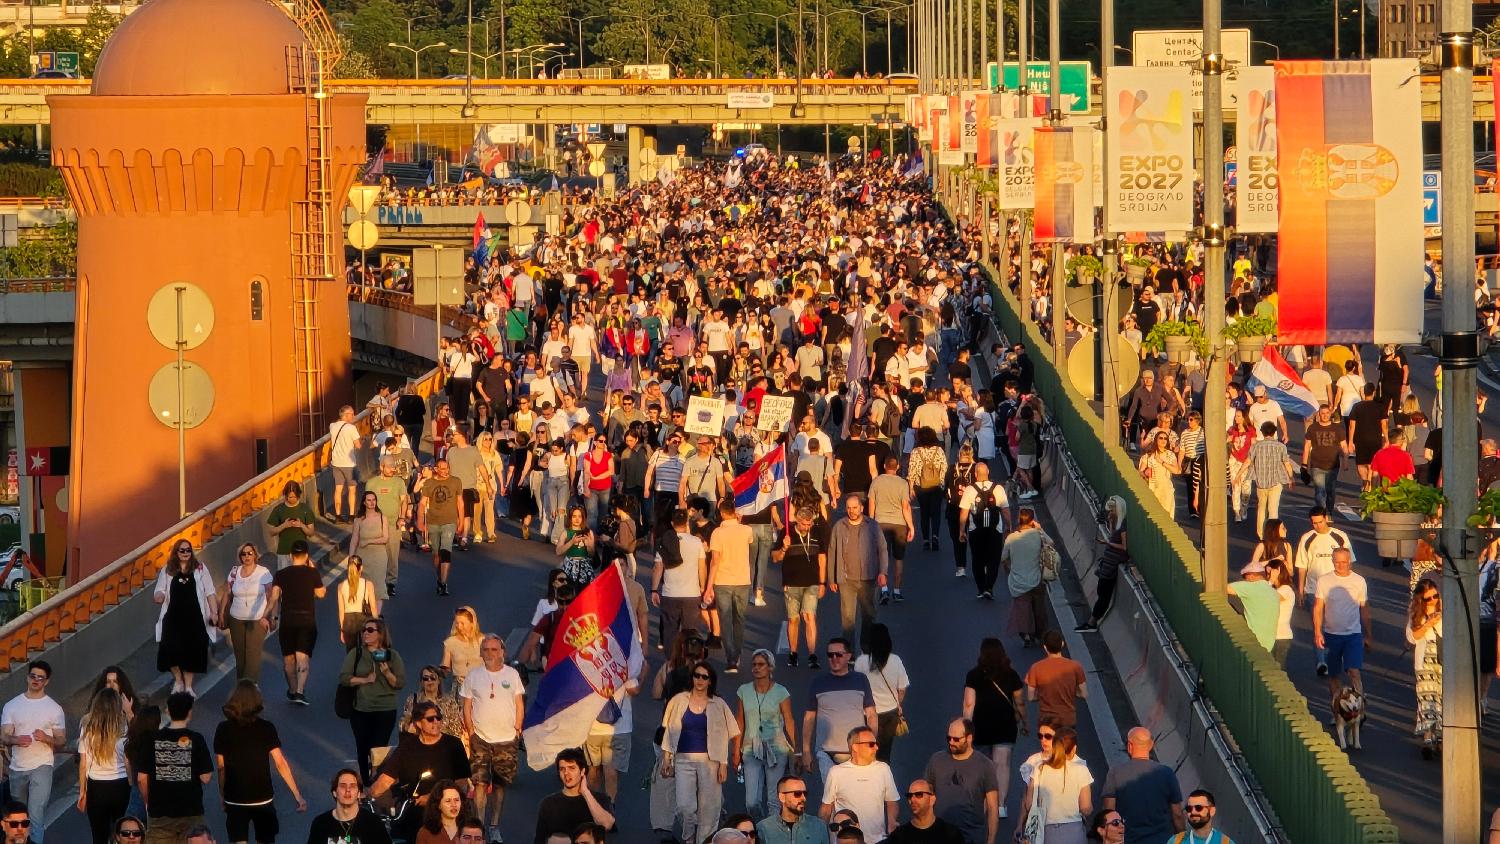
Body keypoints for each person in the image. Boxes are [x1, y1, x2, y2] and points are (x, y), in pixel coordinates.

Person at [213, 681, 306, 844]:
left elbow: (221, 767)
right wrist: (297, 795)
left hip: (235, 796)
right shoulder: (266, 728)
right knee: (265, 838)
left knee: (238, 838)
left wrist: (223, 794)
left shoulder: (223, 728)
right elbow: (280, 763)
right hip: (262, 797)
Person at [660, 660, 740, 844]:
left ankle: (705, 840)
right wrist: (666, 757)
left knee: (709, 807)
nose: (700, 680)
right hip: (683, 760)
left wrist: (724, 764)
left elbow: (729, 733)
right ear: (692, 678)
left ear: (710, 681)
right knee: (684, 806)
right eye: (697, 676)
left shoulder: (718, 703)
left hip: (710, 761)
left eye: (705, 677)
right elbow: (670, 730)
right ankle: (689, 837)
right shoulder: (679, 700)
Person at [462, 635, 525, 842]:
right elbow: (467, 705)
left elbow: (519, 703)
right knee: (480, 783)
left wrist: (517, 729)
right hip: (480, 737)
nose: (490, 653)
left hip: (506, 739)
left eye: (494, 649)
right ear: (481, 652)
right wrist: (471, 731)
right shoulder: (473, 675)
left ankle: (494, 825)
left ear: (502, 652)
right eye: (486, 649)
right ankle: (479, 827)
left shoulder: (512, 674)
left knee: (499, 784)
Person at [138, 692, 213, 844]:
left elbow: (141, 778)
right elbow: (205, 777)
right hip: (191, 812)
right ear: (189, 712)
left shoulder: (152, 739)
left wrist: (148, 801)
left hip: (159, 813)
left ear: (168, 711)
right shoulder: (197, 739)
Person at [339, 618, 406, 786]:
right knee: (363, 748)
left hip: (385, 710)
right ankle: (366, 783)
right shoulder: (356, 653)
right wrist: (364, 680)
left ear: (380, 634)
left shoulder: (392, 655)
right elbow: (344, 678)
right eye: (363, 630)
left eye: (370, 630)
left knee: (378, 750)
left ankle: (376, 784)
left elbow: (399, 683)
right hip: (361, 710)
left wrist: (387, 672)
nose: (365, 633)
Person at [2, 660, 64, 842]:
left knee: (36, 812)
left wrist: (46, 738)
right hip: (18, 767)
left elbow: (61, 740)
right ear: (27, 677)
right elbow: (4, 736)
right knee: (18, 816)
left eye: (40, 678)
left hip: (42, 764)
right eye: (33, 676)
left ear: (47, 681)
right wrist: (16, 740)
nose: (36, 680)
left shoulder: (54, 708)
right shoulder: (12, 705)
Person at [802, 637, 878, 783]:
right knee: (832, 794)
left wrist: (871, 743)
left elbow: (871, 715)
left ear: (848, 656)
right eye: (830, 655)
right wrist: (806, 751)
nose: (834, 658)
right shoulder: (818, 682)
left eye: (839, 654)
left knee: (854, 793)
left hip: (856, 752)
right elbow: (809, 718)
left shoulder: (861, 680)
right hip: (826, 753)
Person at [732, 649, 796, 820]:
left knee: (774, 801)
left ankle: (770, 832)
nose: (756, 668)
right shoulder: (743, 691)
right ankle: (761, 826)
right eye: (754, 664)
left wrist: (796, 751)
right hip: (750, 748)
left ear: (770, 667)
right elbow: (740, 721)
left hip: (776, 748)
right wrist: (736, 750)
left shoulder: (781, 692)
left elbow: (789, 721)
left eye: (761, 664)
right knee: (751, 802)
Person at [1293, 507, 1355, 675]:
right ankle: (1321, 661)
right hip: (1313, 590)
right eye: (1314, 523)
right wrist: (1300, 590)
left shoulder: (1340, 536)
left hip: (1337, 591)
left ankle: (1333, 658)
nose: (1318, 526)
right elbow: (1302, 565)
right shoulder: (1307, 538)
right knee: (1318, 626)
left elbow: (1350, 562)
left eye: (1320, 522)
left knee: (1334, 626)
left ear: (1326, 518)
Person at [154, 539, 219, 697]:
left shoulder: (200, 568)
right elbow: (159, 590)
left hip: (194, 618)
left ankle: (188, 686)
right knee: (171, 650)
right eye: (182, 550)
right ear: (176, 552)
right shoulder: (167, 570)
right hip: (172, 618)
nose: (185, 553)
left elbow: (210, 592)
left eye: (188, 550)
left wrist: (214, 612)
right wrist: (159, 596)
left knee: (192, 651)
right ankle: (178, 681)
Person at [1313, 548, 1371, 720]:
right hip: (1332, 634)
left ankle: (1358, 710)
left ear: (1349, 562)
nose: (1340, 565)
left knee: (1354, 671)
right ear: (1332, 561)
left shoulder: (1359, 581)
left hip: (1353, 634)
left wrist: (1368, 634)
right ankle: (1337, 711)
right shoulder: (1324, 580)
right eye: (1337, 562)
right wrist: (1317, 632)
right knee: (1334, 675)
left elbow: (1364, 609)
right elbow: (1318, 607)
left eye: (1344, 562)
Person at [1099, 728, 1183, 844]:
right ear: (1151, 745)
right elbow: (1177, 814)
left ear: (1130, 746)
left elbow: (1109, 812)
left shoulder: (1115, 773)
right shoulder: (1167, 773)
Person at [828, 493, 889, 653]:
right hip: (846, 580)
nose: (852, 511)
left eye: (855, 508)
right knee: (848, 620)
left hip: (868, 579)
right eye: (849, 508)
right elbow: (832, 551)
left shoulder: (872, 526)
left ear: (861, 508)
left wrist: (883, 572)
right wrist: (832, 578)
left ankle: (866, 650)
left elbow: (882, 549)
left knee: (869, 616)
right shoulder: (839, 526)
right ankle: (849, 653)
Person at [922, 719, 999, 844]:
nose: (951, 742)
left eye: (956, 739)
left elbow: (992, 806)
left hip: (971, 837)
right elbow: (926, 798)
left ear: (969, 738)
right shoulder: (936, 761)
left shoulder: (985, 765)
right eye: (948, 738)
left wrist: (991, 840)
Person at [819, 726, 900, 843]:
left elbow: (892, 801)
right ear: (855, 747)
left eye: (876, 744)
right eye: (871, 744)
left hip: (877, 841)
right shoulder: (836, 772)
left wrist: (891, 822)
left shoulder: (883, 769)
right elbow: (826, 808)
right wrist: (820, 835)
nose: (876, 748)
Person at [270, 540, 327, 705]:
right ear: (307, 556)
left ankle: (293, 690)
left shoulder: (280, 574)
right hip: (306, 620)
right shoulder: (312, 573)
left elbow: (275, 598)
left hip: (287, 621)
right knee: (302, 656)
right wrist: (314, 570)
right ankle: (300, 692)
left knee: (288, 659)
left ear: (290, 555)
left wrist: (273, 618)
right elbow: (321, 593)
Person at [773, 507, 828, 669]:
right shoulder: (786, 533)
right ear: (797, 521)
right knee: (793, 619)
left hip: (812, 583)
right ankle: (793, 653)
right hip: (791, 583)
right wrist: (784, 548)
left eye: (809, 524)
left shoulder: (816, 532)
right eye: (804, 524)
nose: (807, 527)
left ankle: (812, 654)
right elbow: (775, 558)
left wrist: (822, 582)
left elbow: (822, 559)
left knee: (810, 617)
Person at [706, 498, 756, 673]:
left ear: (721, 513)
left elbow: (714, 561)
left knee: (725, 620)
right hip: (742, 580)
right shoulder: (747, 530)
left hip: (722, 581)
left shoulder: (717, 533)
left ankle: (731, 658)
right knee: (739, 619)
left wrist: (708, 587)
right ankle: (738, 652)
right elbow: (750, 543)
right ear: (735, 511)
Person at [76, 688, 131, 844]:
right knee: (122, 833)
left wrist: (82, 791)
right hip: (121, 784)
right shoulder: (123, 726)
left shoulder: (87, 726)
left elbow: (83, 763)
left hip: (97, 787)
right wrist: (132, 784)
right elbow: (127, 760)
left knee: (98, 835)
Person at [1018, 728, 1092, 844]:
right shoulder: (1081, 770)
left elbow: (1029, 804)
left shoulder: (1039, 768)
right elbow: (1085, 808)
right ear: (1074, 749)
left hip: (1046, 832)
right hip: (1074, 831)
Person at [654, 508, 709, 653]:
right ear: (686, 523)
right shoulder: (696, 542)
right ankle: (689, 660)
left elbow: (658, 567)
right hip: (692, 594)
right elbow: (702, 567)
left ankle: (671, 660)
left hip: (670, 594)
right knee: (691, 632)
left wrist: (654, 589)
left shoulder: (665, 541)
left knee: (670, 631)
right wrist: (703, 587)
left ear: (672, 523)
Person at [533, 748, 616, 844]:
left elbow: (607, 824)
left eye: (572, 768)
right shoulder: (548, 804)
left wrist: (585, 792)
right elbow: (539, 840)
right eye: (562, 769)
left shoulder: (600, 799)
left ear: (582, 771)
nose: (566, 773)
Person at [220, 544, 275, 683]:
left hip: (257, 619)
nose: (247, 556)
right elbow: (227, 593)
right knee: (240, 656)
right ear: (240, 557)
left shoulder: (263, 572)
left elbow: (271, 597)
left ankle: (250, 687)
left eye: (250, 553)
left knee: (252, 655)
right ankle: (241, 685)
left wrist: (272, 617)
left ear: (255, 555)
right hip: (236, 619)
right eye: (243, 554)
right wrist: (221, 613)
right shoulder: (234, 572)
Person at [854, 624, 909, 763]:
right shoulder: (896, 660)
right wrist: (898, 704)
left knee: (867, 751)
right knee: (885, 753)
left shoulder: (861, 661)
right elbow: (902, 689)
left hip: (867, 714)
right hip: (890, 713)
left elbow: (857, 689)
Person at [1076, 496, 1128, 633]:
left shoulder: (1123, 525)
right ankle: (1091, 621)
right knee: (1101, 591)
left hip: (1112, 563)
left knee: (1103, 595)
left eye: (1111, 511)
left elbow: (1124, 547)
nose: (1109, 513)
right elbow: (1113, 536)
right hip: (1108, 561)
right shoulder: (1116, 521)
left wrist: (1108, 543)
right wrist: (1110, 523)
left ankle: (1091, 623)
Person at [958, 462, 1008, 600]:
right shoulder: (998, 488)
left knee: (977, 559)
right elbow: (1005, 510)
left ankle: (980, 589)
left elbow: (964, 513)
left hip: (975, 530)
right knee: (994, 559)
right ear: (988, 472)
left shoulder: (970, 490)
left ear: (975, 474)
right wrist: (1009, 527)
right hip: (995, 530)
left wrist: (962, 531)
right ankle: (989, 587)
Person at [1236, 422, 1296, 539]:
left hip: (1261, 482)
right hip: (1276, 481)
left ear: (1262, 433)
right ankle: (1272, 534)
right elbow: (1287, 463)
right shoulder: (1281, 447)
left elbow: (1248, 461)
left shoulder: (1255, 447)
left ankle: (1261, 535)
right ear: (1274, 432)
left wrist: (1238, 475)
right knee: (1273, 509)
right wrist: (1291, 478)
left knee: (1261, 509)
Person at [867, 457, 914, 604]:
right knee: (899, 558)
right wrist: (911, 526)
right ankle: (897, 591)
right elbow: (905, 507)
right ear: (897, 467)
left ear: (884, 466)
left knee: (882, 556)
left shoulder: (876, 482)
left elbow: (871, 505)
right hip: (899, 524)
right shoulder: (902, 483)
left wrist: (871, 523)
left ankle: (884, 589)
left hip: (880, 523)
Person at [303, 768, 392, 844]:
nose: (348, 790)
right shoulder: (320, 823)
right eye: (343, 786)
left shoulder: (373, 823)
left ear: (359, 793)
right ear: (334, 793)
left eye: (352, 786)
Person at [1405, 580, 1443, 758]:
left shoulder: (1446, 611)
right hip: (1425, 660)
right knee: (1427, 698)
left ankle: (1441, 736)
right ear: (1421, 599)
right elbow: (1412, 637)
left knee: (1442, 698)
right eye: (1429, 598)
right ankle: (1428, 736)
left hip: (1443, 659)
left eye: (1436, 596)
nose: (1433, 600)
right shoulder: (1416, 614)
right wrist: (1429, 622)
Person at [419, 458, 466, 596]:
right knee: (436, 554)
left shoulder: (456, 481)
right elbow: (422, 503)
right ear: (436, 469)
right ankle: (439, 578)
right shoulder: (429, 483)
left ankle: (444, 583)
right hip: (433, 522)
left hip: (449, 521)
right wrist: (420, 521)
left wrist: (461, 521)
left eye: (447, 468)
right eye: (442, 468)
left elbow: (460, 502)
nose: (446, 471)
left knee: (446, 551)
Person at [1001, 509, 1048, 646]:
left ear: (1019, 520)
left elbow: (1003, 558)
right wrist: (1040, 528)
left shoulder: (1011, 538)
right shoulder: (1038, 535)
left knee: (1022, 608)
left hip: (1018, 581)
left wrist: (1010, 568)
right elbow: (1051, 543)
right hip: (1036, 579)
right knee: (1039, 609)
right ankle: (1040, 635)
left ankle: (1026, 634)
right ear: (1032, 521)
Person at [366, 457, 411, 595]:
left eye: (393, 467)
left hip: (393, 524)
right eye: (389, 467)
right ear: (381, 467)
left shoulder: (399, 482)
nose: (392, 469)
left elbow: (403, 501)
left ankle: (391, 582)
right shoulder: (372, 483)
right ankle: (376, 582)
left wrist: (401, 517)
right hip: (376, 525)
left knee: (392, 555)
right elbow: (367, 503)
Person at [1025, 631, 1087, 731]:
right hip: (1068, 719)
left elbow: (1031, 697)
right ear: (1062, 644)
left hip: (1046, 720)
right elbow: (1083, 694)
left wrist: (1044, 695)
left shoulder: (1035, 668)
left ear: (1045, 647)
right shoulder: (1075, 667)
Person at [1226, 561, 1281, 655]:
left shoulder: (1250, 587)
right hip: (1268, 645)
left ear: (1251, 576)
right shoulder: (1274, 592)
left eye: (1245, 578)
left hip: (1252, 643)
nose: (1245, 580)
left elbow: (1223, 588)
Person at [884, 780, 965, 844]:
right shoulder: (899, 836)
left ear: (932, 799)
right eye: (910, 796)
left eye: (919, 795)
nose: (912, 799)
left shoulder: (950, 834)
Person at [754, 775, 825, 844]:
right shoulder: (763, 829)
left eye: (805, 793)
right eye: (797, 793)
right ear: (782, 797)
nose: (803, 798)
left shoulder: (819, 826)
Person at [349, 491, 392, 601]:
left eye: (374, 500)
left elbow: (385, 538)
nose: (372, 502)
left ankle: (376, 611)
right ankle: (366, 608)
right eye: (369, 500)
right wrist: (351, 558)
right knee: (362, 586)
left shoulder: (382, 518)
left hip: (379, 557)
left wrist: (368, 541)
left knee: (378, 587)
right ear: (364, 502)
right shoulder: (358, 520)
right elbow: (354, 540)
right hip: (363, 556)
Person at [266, 481, 316, 570]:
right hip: (284, 552)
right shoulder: (279, 510)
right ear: (285, 496)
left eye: (294, 497)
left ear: (298, 495)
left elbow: (311, 533)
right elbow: (271, 532)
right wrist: (284, 525)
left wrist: (301, 525)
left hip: (300, 553)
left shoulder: (305, 509)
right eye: (290, 497)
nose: (292, 499)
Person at [337, 556, 381, 651]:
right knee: (366, 650)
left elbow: (341, 610)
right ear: (361, 568)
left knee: (351, 653)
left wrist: (342, 629)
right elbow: (373, 607)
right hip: (364, 620)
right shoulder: (368, 584)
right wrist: (376, 626)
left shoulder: (341, 586)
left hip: (348, 622)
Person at [329, 404, 365, 521]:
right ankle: (351, 516)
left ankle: (338, 516)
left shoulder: (332, 426)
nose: (354, 416)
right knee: (352, 490)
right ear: (346, 415)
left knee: (338, 490)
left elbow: (337, 424)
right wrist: (361, 440)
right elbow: (358, 446)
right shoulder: (351, 428)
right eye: (352, 414)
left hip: (336, 463)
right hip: (349, 465)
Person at [442, 606, 485, 696]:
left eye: (462, 623)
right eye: (457, 623)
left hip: (480, 685)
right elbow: (445, 665)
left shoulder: (482, 641)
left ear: (472, 623)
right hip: (460, 687)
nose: (459, 626)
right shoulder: (450, 642)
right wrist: (437, 674)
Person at [415, 779, 473, 844]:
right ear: (438, 805)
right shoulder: (425, 833)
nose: (453, 804)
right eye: (448, 801)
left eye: (456, 800)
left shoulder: (470, 830)